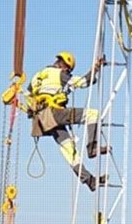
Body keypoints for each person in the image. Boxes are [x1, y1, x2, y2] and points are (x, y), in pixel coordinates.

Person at [26, 52, 109, 191]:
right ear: (66, 66)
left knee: (70, 152)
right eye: (68, 70)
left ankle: (89, 181)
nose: (67, 72)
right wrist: (96, 68)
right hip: (55, 114)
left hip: (42, 120)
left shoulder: (38, 76)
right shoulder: (58, 74)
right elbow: (82, 82)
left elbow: (28, 96)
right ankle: (92, 147)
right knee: (92, 114)